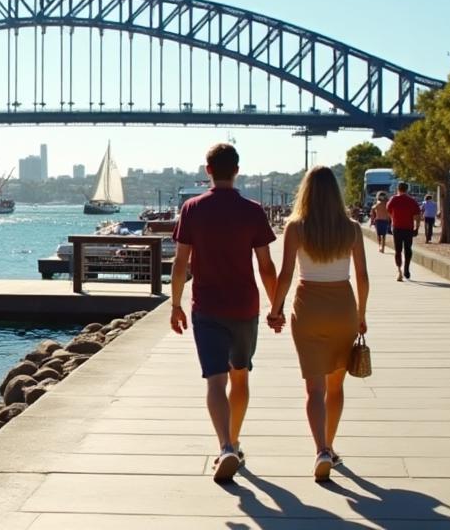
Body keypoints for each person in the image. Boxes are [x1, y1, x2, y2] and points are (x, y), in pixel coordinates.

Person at [169, 143, 279, 484]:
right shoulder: (253, 210)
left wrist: (174, 305)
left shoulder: (192, 208)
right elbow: (266, 266)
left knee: (215, 380)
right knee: (240, 375)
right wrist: (276, 307)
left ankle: (225, 445)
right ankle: (235, 439)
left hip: (207, 307)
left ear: (208, 171)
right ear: (237, 170)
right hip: (245, 306)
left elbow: (180, 262)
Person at [270, 166, 370, 482]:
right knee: (336, 386)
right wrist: (362, 315)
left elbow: (285, 274)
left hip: (308, 306)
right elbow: (364, 277)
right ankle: (331, 445)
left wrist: (276, 309)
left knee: (314, 389)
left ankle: (321, 450)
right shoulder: (352, 229)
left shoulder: (296, 228)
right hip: (343, 307)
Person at [385, 182, 421, 281]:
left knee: (398, 250)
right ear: (407, 189)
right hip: (408, 228)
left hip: (397, 228)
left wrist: (393, 218)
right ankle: (406, 268)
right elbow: (417, 216)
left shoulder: (394, 199)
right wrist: (417, 228)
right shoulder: (412, 201)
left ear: (398, 189)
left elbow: (388, 210)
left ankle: (399, 271)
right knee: (408, 249)